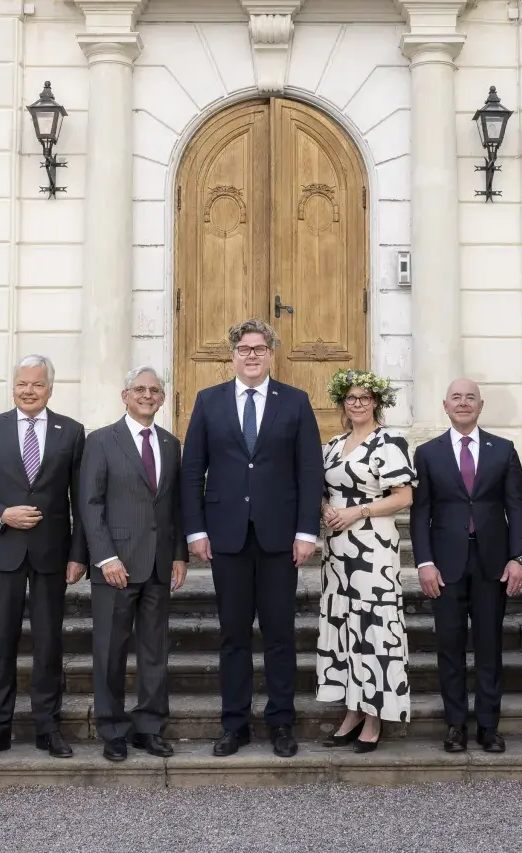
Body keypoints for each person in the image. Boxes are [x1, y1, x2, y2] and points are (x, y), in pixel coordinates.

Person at [181, 318, 322, 758]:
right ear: (233, 354)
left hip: (281, 537)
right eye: (244, 348)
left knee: (280, 633)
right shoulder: (209, 401)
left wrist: (306, 532)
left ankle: (281, 722)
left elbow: (309, 471)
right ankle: (234, 724)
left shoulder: (295, 402)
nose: (252, 355)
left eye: (260, 348)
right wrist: (196, 529)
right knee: (234, 634)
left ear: (271, 353)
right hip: (227, 537)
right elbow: (192, 472)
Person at [0, 355, 87, 760]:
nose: (28, 391)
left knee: (49, 643)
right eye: (21, 384)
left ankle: (48, 728)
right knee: (1, 643)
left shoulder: (72, 431)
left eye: (36, 384)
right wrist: (1, 514)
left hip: (52, 553)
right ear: (13, 386)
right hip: (3, 551)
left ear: (50, 388)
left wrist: (79, 553)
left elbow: (80, 500)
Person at [411, 378, 522, 754]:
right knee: (449, 644)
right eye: (456, 398)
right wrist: (424, 562)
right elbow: (421, 512)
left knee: (490, 645)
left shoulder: (503, 450)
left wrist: (519, 557)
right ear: (445, 405)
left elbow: (516, 507)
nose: (463, 403)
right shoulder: (427, 453)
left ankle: (489, 726)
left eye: (470, 398)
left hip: (492, 562)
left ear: (481, 405)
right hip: (445, 564)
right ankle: (455, 724)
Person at [79, 366, 188, 762]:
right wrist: (105, 556)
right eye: (139, 389)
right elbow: (90, 504)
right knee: (110, 650)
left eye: (154, 391)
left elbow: (173, 506)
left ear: (161, 399)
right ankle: (112, 729)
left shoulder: (170, 442)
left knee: (154, 651)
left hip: (158, 564)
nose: (147, 395)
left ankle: (150, 728)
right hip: (116, 564)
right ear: (124, 395)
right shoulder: (101, 441)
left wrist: (179, 554)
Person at [316, 370, 415, 753]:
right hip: (338, 549)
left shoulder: (388, 442)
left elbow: (403, 496)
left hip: (372, 545)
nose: (357, 403)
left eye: (364, 398)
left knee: (374, 626)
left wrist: (357, 512)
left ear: (376, 402)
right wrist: (326, 509)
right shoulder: (333, 445)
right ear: (343, 402)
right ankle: (352, 710)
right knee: (345, 626)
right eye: (351, 398)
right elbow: (322, 489)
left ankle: (374, 716)